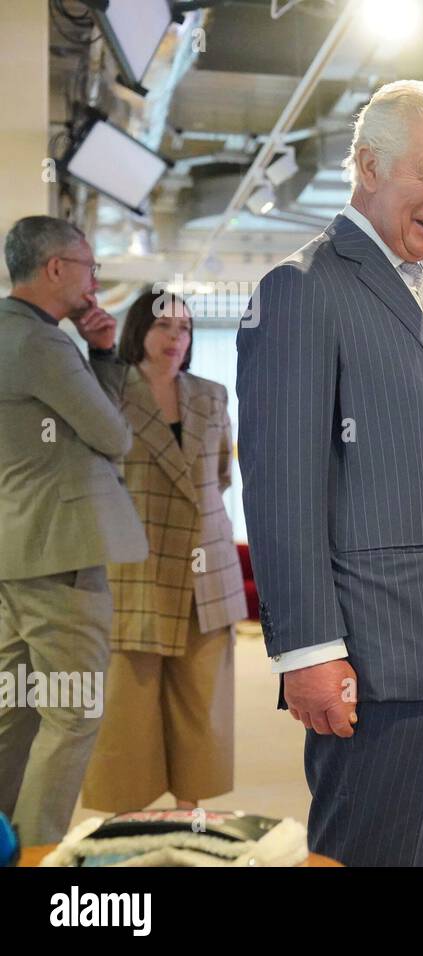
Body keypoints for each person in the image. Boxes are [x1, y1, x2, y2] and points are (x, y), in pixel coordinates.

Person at [236, 79, 423, 867]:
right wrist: (305, 652)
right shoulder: (302, 288)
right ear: (367, 164)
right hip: (377, 657)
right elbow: (280, 484)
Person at [0, 215, 146, 844]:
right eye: (88, 267)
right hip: (59, 551)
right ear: (56, 268)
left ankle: (9, 845)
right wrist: (103, 356)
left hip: (14, 550)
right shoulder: (41, 342)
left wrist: (104, 356)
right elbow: (113, 436)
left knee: (14, 710)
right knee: (73, 712)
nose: (95, 282)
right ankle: (35, 856)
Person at [79, 288, 246, 814]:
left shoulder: (212, 394)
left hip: (206, 568)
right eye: (163, 327)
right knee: (130, 701)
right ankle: (128, 814)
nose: (176, 338)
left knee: (199, 699)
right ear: (138, 332)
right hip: (135, 567)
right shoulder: (108, 392)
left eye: (185, 328)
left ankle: (188, 810)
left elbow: (219, 477)